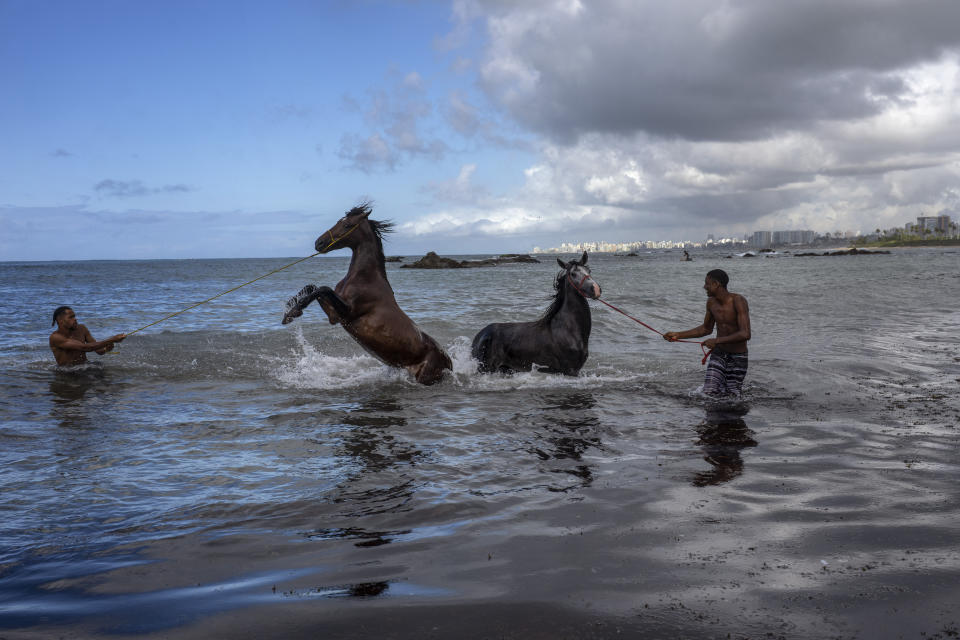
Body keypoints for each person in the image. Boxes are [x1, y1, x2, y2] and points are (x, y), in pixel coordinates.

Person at [663, 269, 751, 396]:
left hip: (738, 357)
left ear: (716, 284)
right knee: (709, 392)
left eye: (707, 284)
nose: (704, 287)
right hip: (719, 354)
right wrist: (678, 334)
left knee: (733, 396)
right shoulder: (711, 303)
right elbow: (706, 329)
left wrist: (716, 341)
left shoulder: (738, 300)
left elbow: (745, 334)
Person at [49, 306, 126, 366]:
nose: (75, 319)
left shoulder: (82, 328)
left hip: (84, 367)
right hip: (67, 372)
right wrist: (112, 339)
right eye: (71, 317)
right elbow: (84, 347)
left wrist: (107, 348)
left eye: (74, 316)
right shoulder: (55, 337)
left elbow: (99, 351)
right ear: (60, 321)